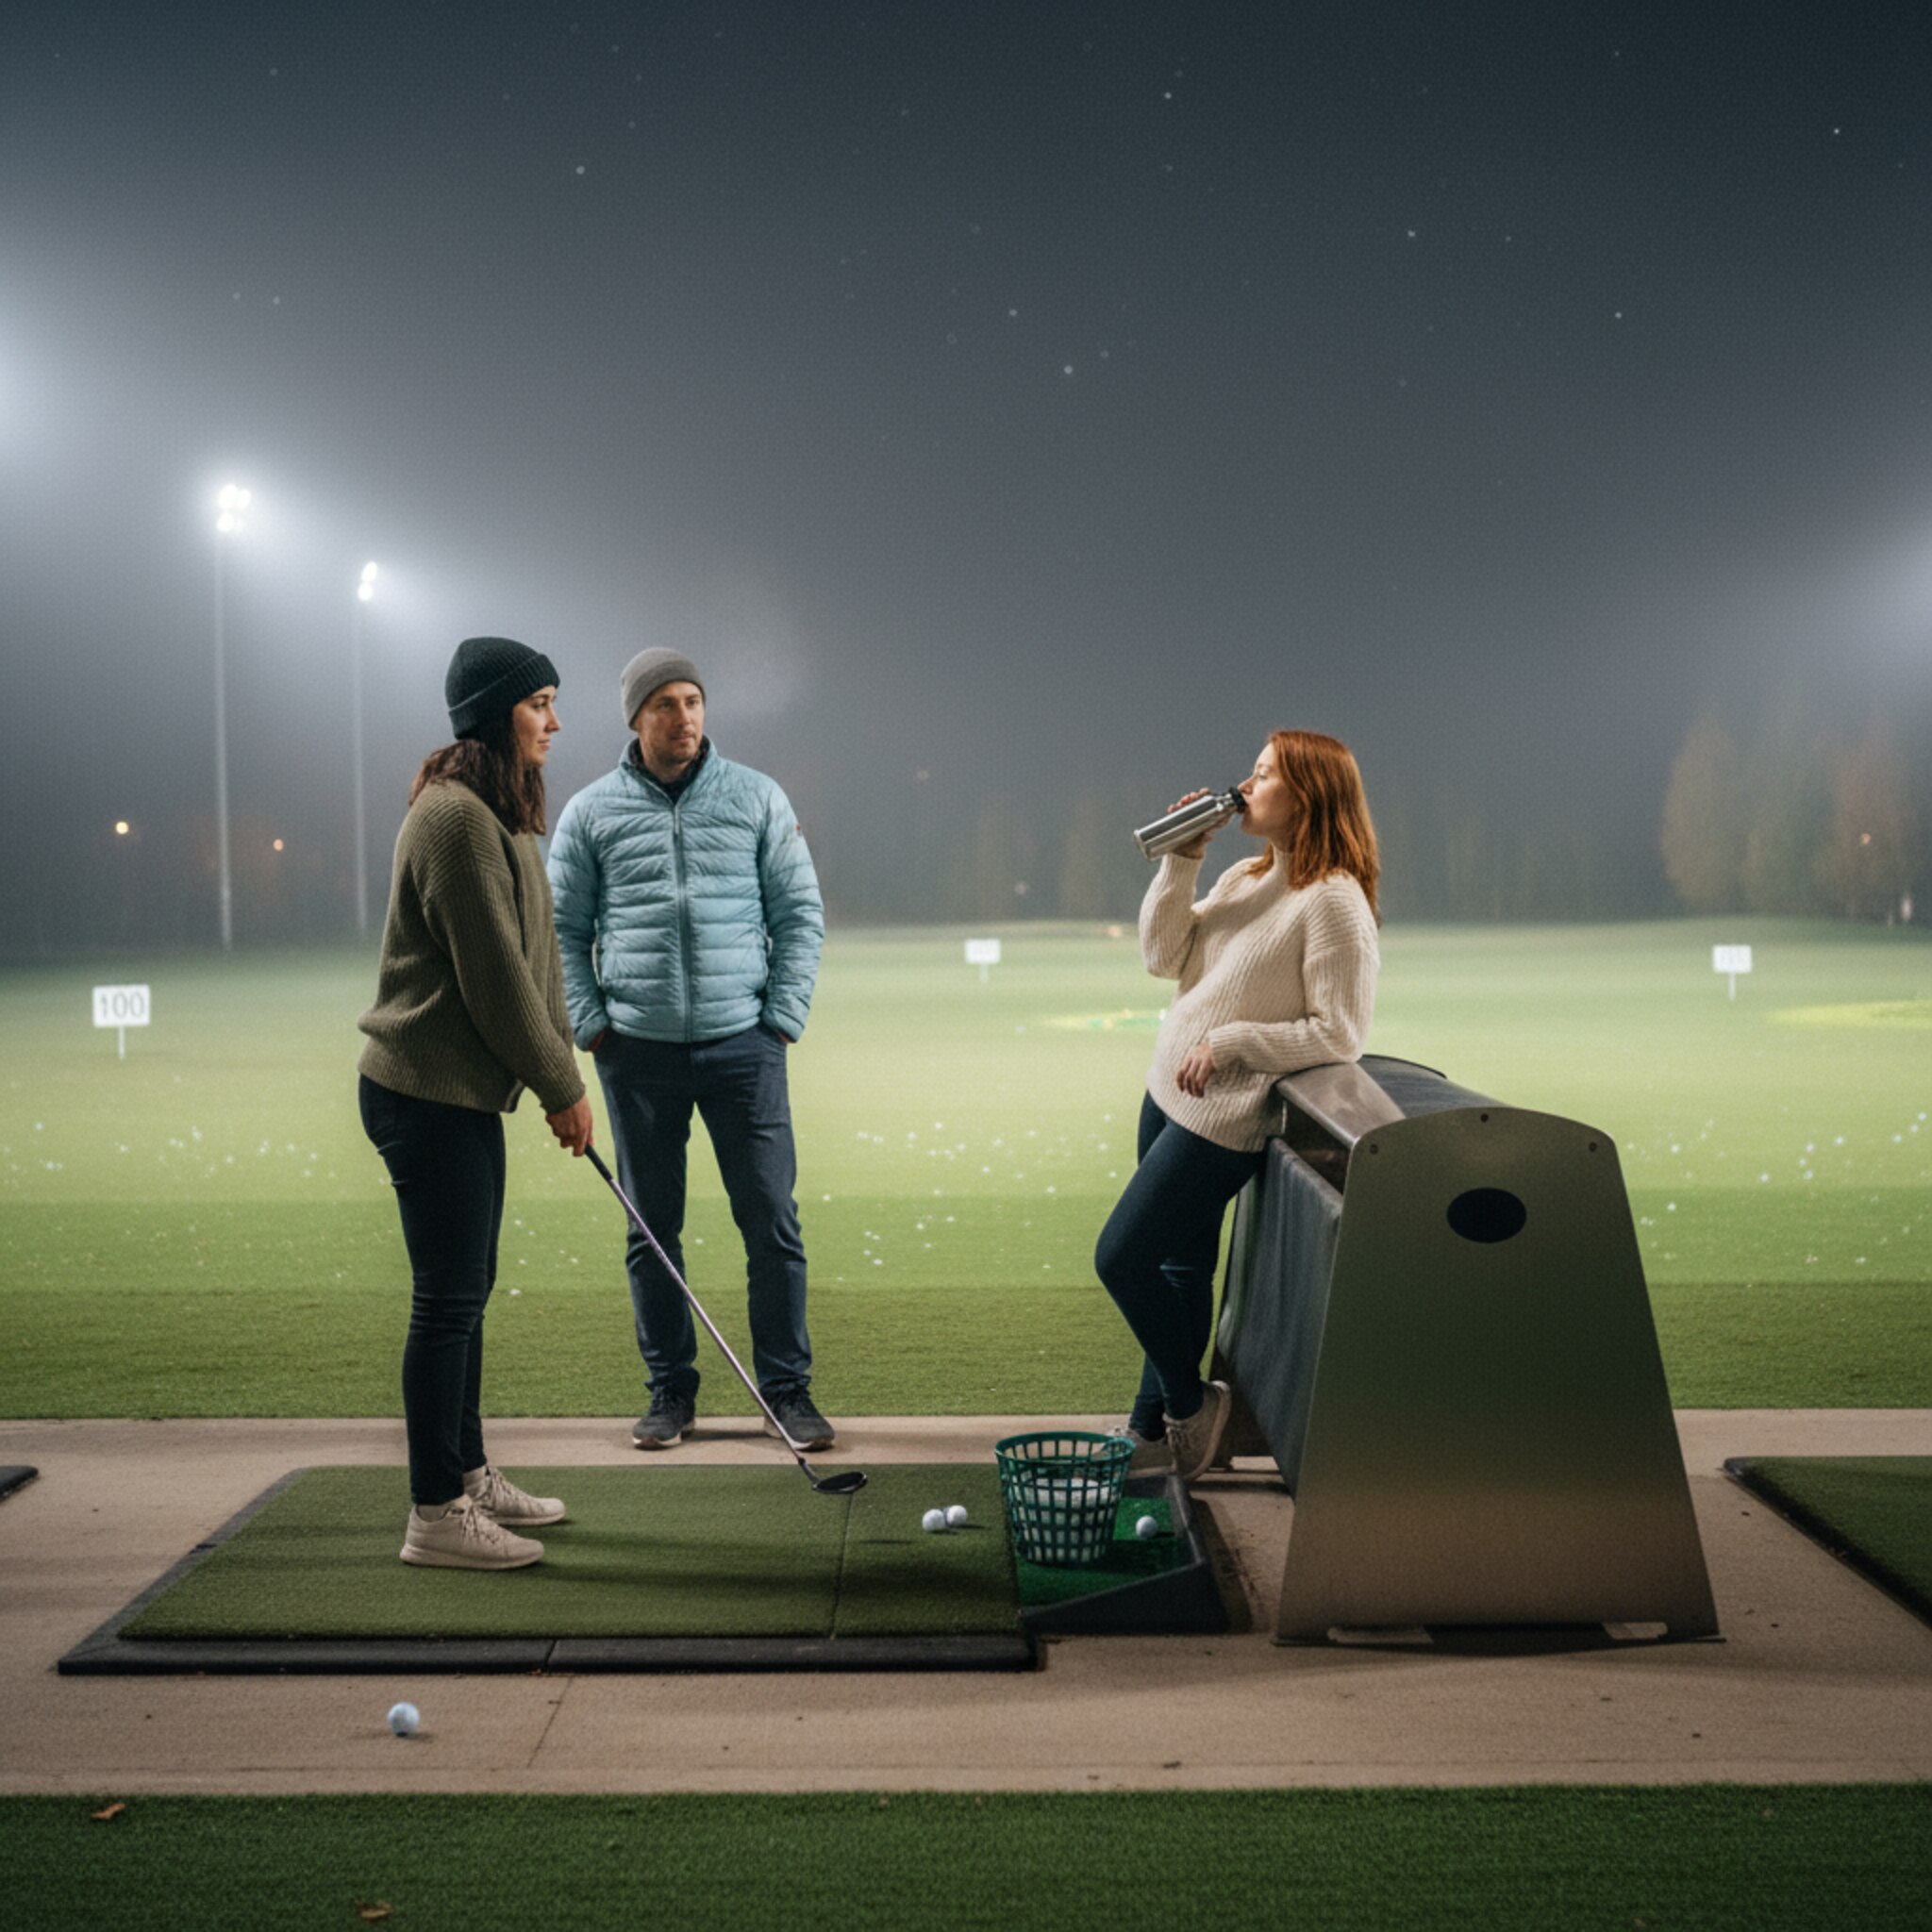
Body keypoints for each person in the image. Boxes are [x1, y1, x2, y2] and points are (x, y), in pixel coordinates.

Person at [547, 648, 829, 1452]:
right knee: (651, 1232)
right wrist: (591, 1025)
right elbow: (564, 932)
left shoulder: (756, 797)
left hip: (746, 1047)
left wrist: (779, 1018)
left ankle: (788, 1394)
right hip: (635, 1054)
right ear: (636, 718)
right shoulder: (591, 812)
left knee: (771, 1222)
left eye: (694, 700)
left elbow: (799, 916)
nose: (685, 717)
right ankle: (670, 1393)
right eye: (666, 704)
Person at [358, 636, 595, 1571]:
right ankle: (433, 1510)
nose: (554, 719)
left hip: (459, 1096)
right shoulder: (454, 818)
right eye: (540, 701)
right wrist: (562, 1087)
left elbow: (541, 959)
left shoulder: (503, 812)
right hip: (421, 1094)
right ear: (501, 711)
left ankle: (466, 1469)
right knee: (447, 1300)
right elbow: (495, 982)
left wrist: (561, 1070)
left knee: (467, 1290)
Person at [1095, 729, 1381, 1481]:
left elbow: (1340, 1034)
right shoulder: (1245, 876)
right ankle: (1149, 1434)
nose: (1246, 785)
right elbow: (1165, 958)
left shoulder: (1334, 903)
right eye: (1252, 771)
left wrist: (1230, 1045)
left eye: (1265, 776)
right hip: (1165, 1093)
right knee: (1183, 1270)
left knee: (1120, 1258)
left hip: (1222, 1116)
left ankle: (1192, 1410)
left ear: (1310, 796)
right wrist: (1182, 860)